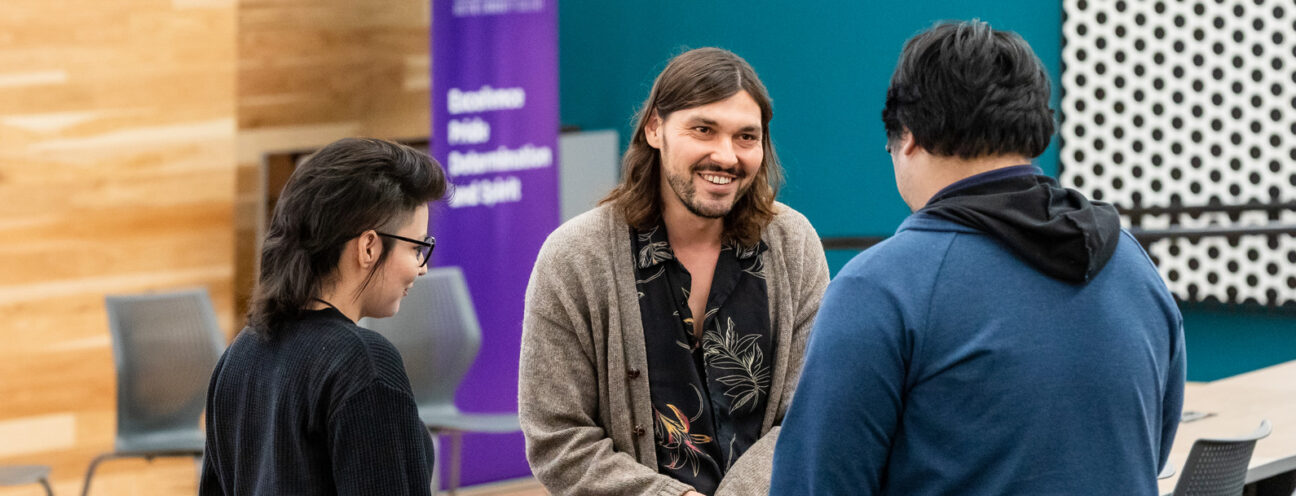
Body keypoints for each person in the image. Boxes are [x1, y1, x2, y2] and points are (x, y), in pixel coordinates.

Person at [770, 20, 1185, 495]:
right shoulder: (1131, 264)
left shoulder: (880, 288)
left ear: (907, 135)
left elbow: (814, 485)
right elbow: (1151, 453)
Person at [519, 47, 829, 496]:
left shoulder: (793, 244)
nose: (726, 156)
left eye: (747, 137)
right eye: (703, 129)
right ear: (654, 129)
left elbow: (812, 413)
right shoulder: (574, 257)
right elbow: (557, 437)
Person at [200, 138, 446, 495]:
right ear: (369, 247)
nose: (421, 270)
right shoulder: (364, 364)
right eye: (416, 248)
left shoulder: (238, 356)